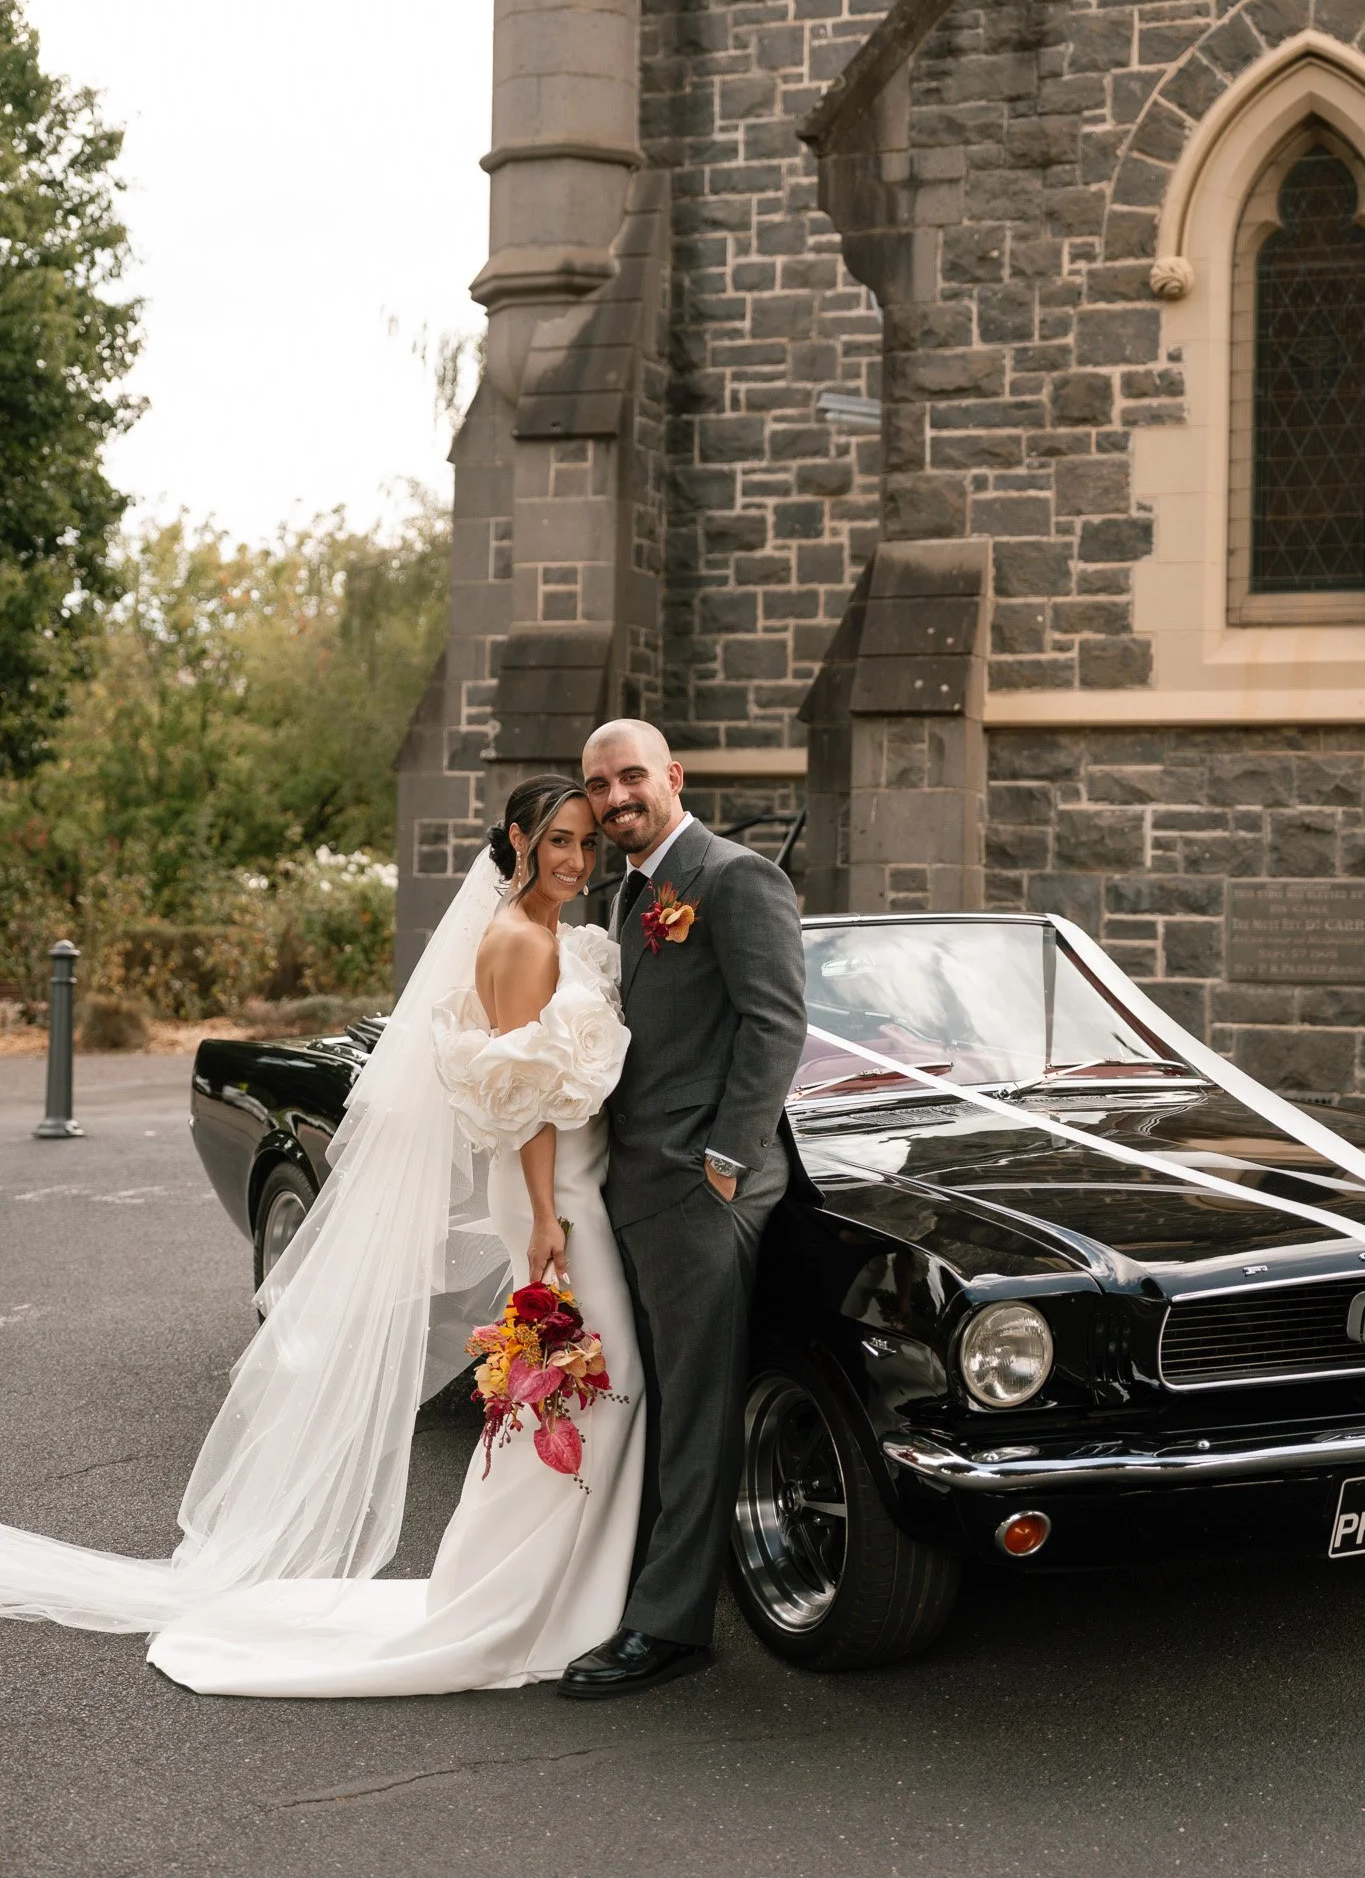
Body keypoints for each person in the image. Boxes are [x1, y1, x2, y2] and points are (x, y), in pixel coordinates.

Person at [0, 776, 646, 1695]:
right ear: (517, 840)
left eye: (586, 844)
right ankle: (525, 1596)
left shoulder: (542, 933)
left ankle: (544, 1582)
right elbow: (529, 1101)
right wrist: (546, 1220)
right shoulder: (517, 940)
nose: (576, 861)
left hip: (568, 1185)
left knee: (570, 1389)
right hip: (556, 1196)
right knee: (585, 1383)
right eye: (559, 843)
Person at [559, 721, 807, 1700]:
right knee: (644, 1397)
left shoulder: (734, 877)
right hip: (629, 1184)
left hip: (702, 1193)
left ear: (673, 776)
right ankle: (635, 1584)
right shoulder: (625, 892)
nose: (615, 797)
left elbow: (776, 1022)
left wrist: (724, 1163)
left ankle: (670, 1626)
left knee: (695, 1409)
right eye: (598, 784)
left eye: (631, 777)